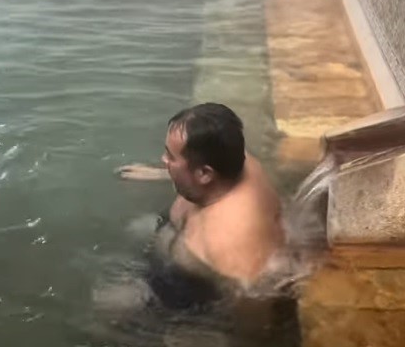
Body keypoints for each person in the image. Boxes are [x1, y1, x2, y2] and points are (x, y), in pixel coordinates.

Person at [117, 103, 285, 310]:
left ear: (204, 174)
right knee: (134, 228)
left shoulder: (233, 244)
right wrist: (162, 174)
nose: (163, 159)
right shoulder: (232, 158)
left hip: (188, 296)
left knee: (109, 306)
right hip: (174, 245)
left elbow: (253, 305)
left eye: (170, 157)